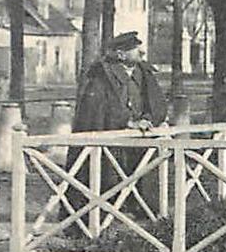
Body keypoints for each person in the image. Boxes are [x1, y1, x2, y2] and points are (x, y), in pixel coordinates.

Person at [66, 31, 167, 234]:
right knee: (105, 181)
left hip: (139, 142)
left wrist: (148, 118)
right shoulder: (102, 76)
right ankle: (99, 223)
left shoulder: (144, 73)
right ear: (120, 54)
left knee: (141, 179)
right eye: (135, 49)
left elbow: (157, 104)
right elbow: (95, 110)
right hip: (109, 141)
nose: (142, 52)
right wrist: (126, 122)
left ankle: (139, 217)